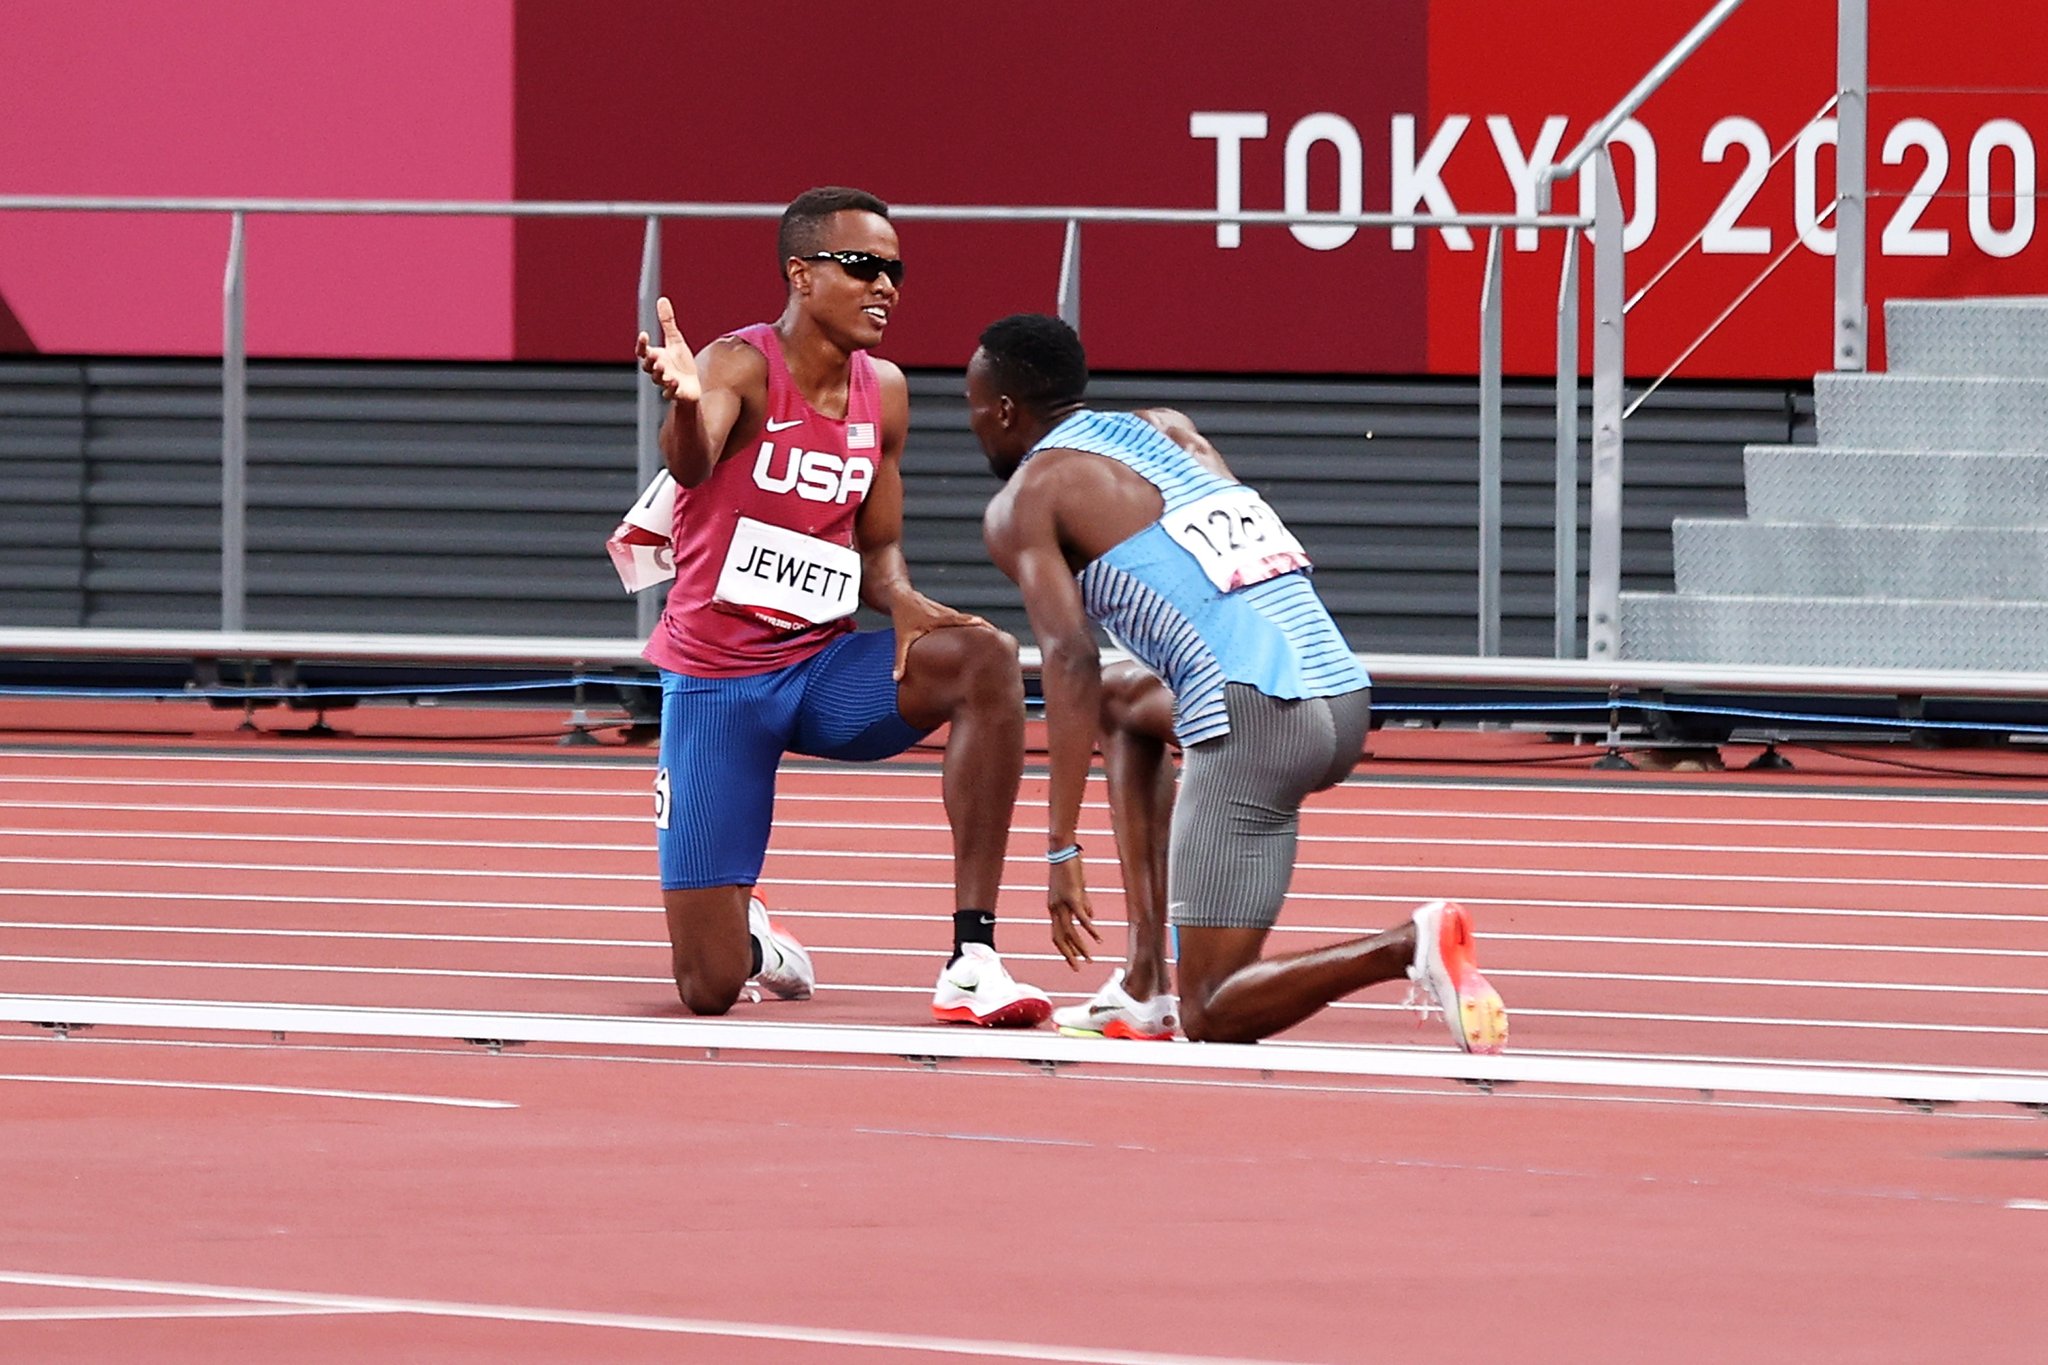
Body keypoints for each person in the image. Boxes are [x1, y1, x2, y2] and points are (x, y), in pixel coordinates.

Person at [969, 313, 1507, 1051]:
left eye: (971, 409)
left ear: (1001, 409)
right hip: (1341, 693)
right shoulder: (1169, 429)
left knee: (1215, 1012)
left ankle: (1407, 944)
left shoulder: (1024, 501)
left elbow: (1070, 660)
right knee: (1127, 702)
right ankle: (1143, 978)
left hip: (1258, 718)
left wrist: (1061, 847)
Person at [632, 187, 1050, 1027]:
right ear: (802, 274)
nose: (885, 286)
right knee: (706, 988)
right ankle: (754, 942)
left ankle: (973, 955)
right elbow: (690, 462)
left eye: (895, 271)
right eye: (862, 266)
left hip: (823, 670)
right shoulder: (736, 366)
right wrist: (682, 402)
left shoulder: (884, 391)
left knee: (988, 657)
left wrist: (901, 599)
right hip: (719, 684)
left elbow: (877, 547)